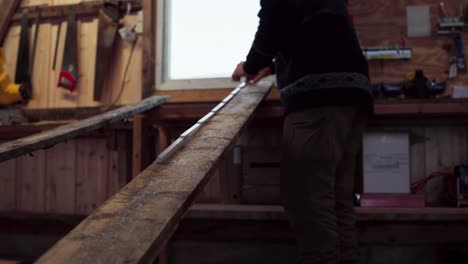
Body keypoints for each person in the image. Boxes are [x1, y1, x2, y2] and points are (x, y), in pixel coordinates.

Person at [231, 1, 374, 264]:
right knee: (335, 198)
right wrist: (272, 66)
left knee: (308, 201)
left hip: (318, 101)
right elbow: (313, 30)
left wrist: (251, 66)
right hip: (351, 94)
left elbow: (276, 18)